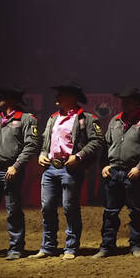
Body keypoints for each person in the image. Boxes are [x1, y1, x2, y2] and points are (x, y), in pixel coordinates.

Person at [32, 81, 104, 259]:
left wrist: (79, 156)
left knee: (69, 207)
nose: (57, 97)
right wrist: (42, 153)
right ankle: (47, 246)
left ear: (72, 98)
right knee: (47, 207)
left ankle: (70, 247)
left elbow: (97, 141)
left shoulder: (86, 118)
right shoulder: (52, 118)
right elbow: (45, 140)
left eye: (61, 94)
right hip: (50, 167)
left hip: (70, 168)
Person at [93, 88, 140, 258]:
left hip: (133, 171)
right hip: (113, 171)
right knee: (110, 211)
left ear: (137, 101)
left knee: (136, 210)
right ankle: (107, 245)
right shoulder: (115, 120)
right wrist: (105, 165)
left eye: (128, 100)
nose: (124, 102)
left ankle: (136, 245)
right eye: (123, 99)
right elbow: (106, 144)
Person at [0, 85, 40, 260]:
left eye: (2, 95)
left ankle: (16, 248)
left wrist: (16, 165)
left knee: (13, 210)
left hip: (10, 170)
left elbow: (31, 145)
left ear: (11, 99)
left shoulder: (26, 119)